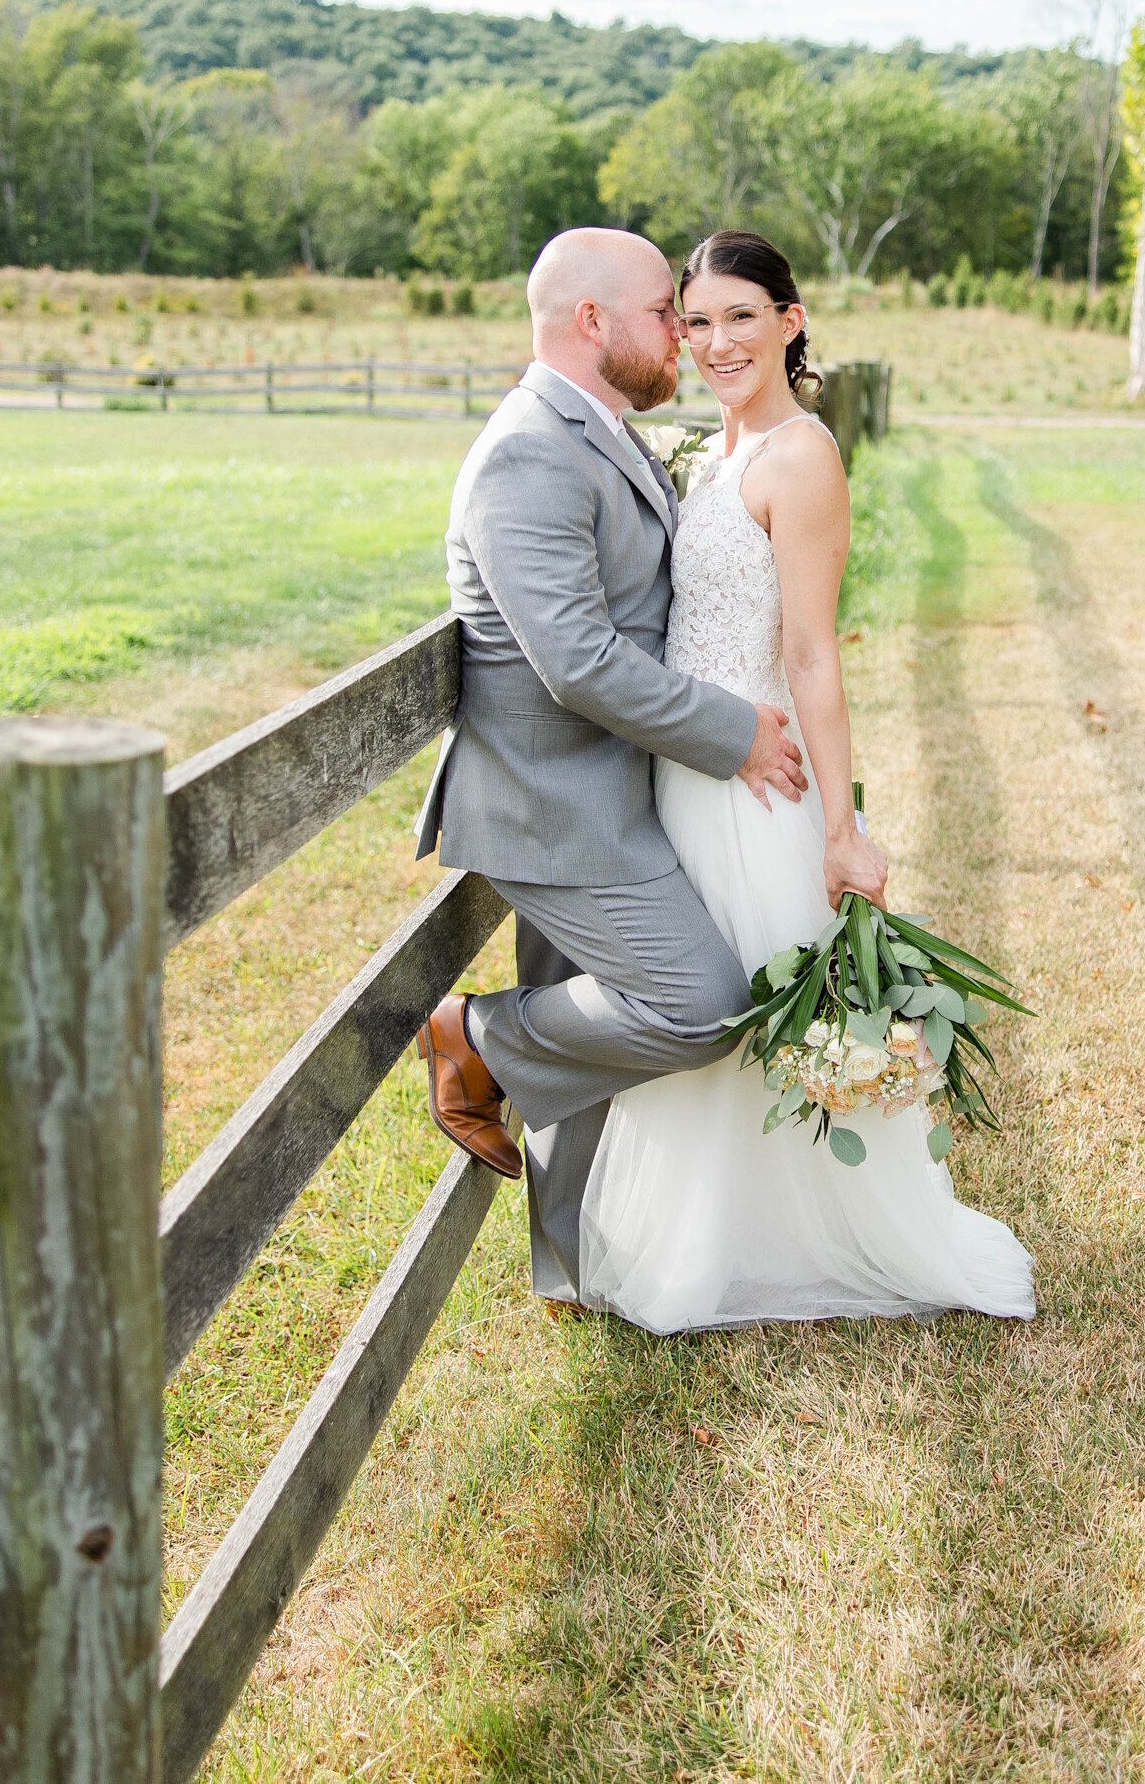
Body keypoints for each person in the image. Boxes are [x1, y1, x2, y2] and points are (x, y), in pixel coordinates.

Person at [577, 230, 1035, 1329]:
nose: (718, 341)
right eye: (696, 321)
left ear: (791, 321)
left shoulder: (801, 457)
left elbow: (814, 653)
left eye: (742, 316)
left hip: (757, 784)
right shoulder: (709, 450)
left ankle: (791, 1242)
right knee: (702, 1003)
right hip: (686, 770)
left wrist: (842, 826)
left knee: (748, 994)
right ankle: (708, 1239)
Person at [413, 226, 808, 1303]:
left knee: (585, 1018)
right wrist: (733, 731)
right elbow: (578, 661)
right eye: (662, 313)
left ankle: (574, 1265)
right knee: (703, 1005)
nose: (682, 333)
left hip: (612, 784)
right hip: (557, 804)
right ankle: (474, 1037)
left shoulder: (601, 429)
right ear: (591, 321)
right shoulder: (527, 453)